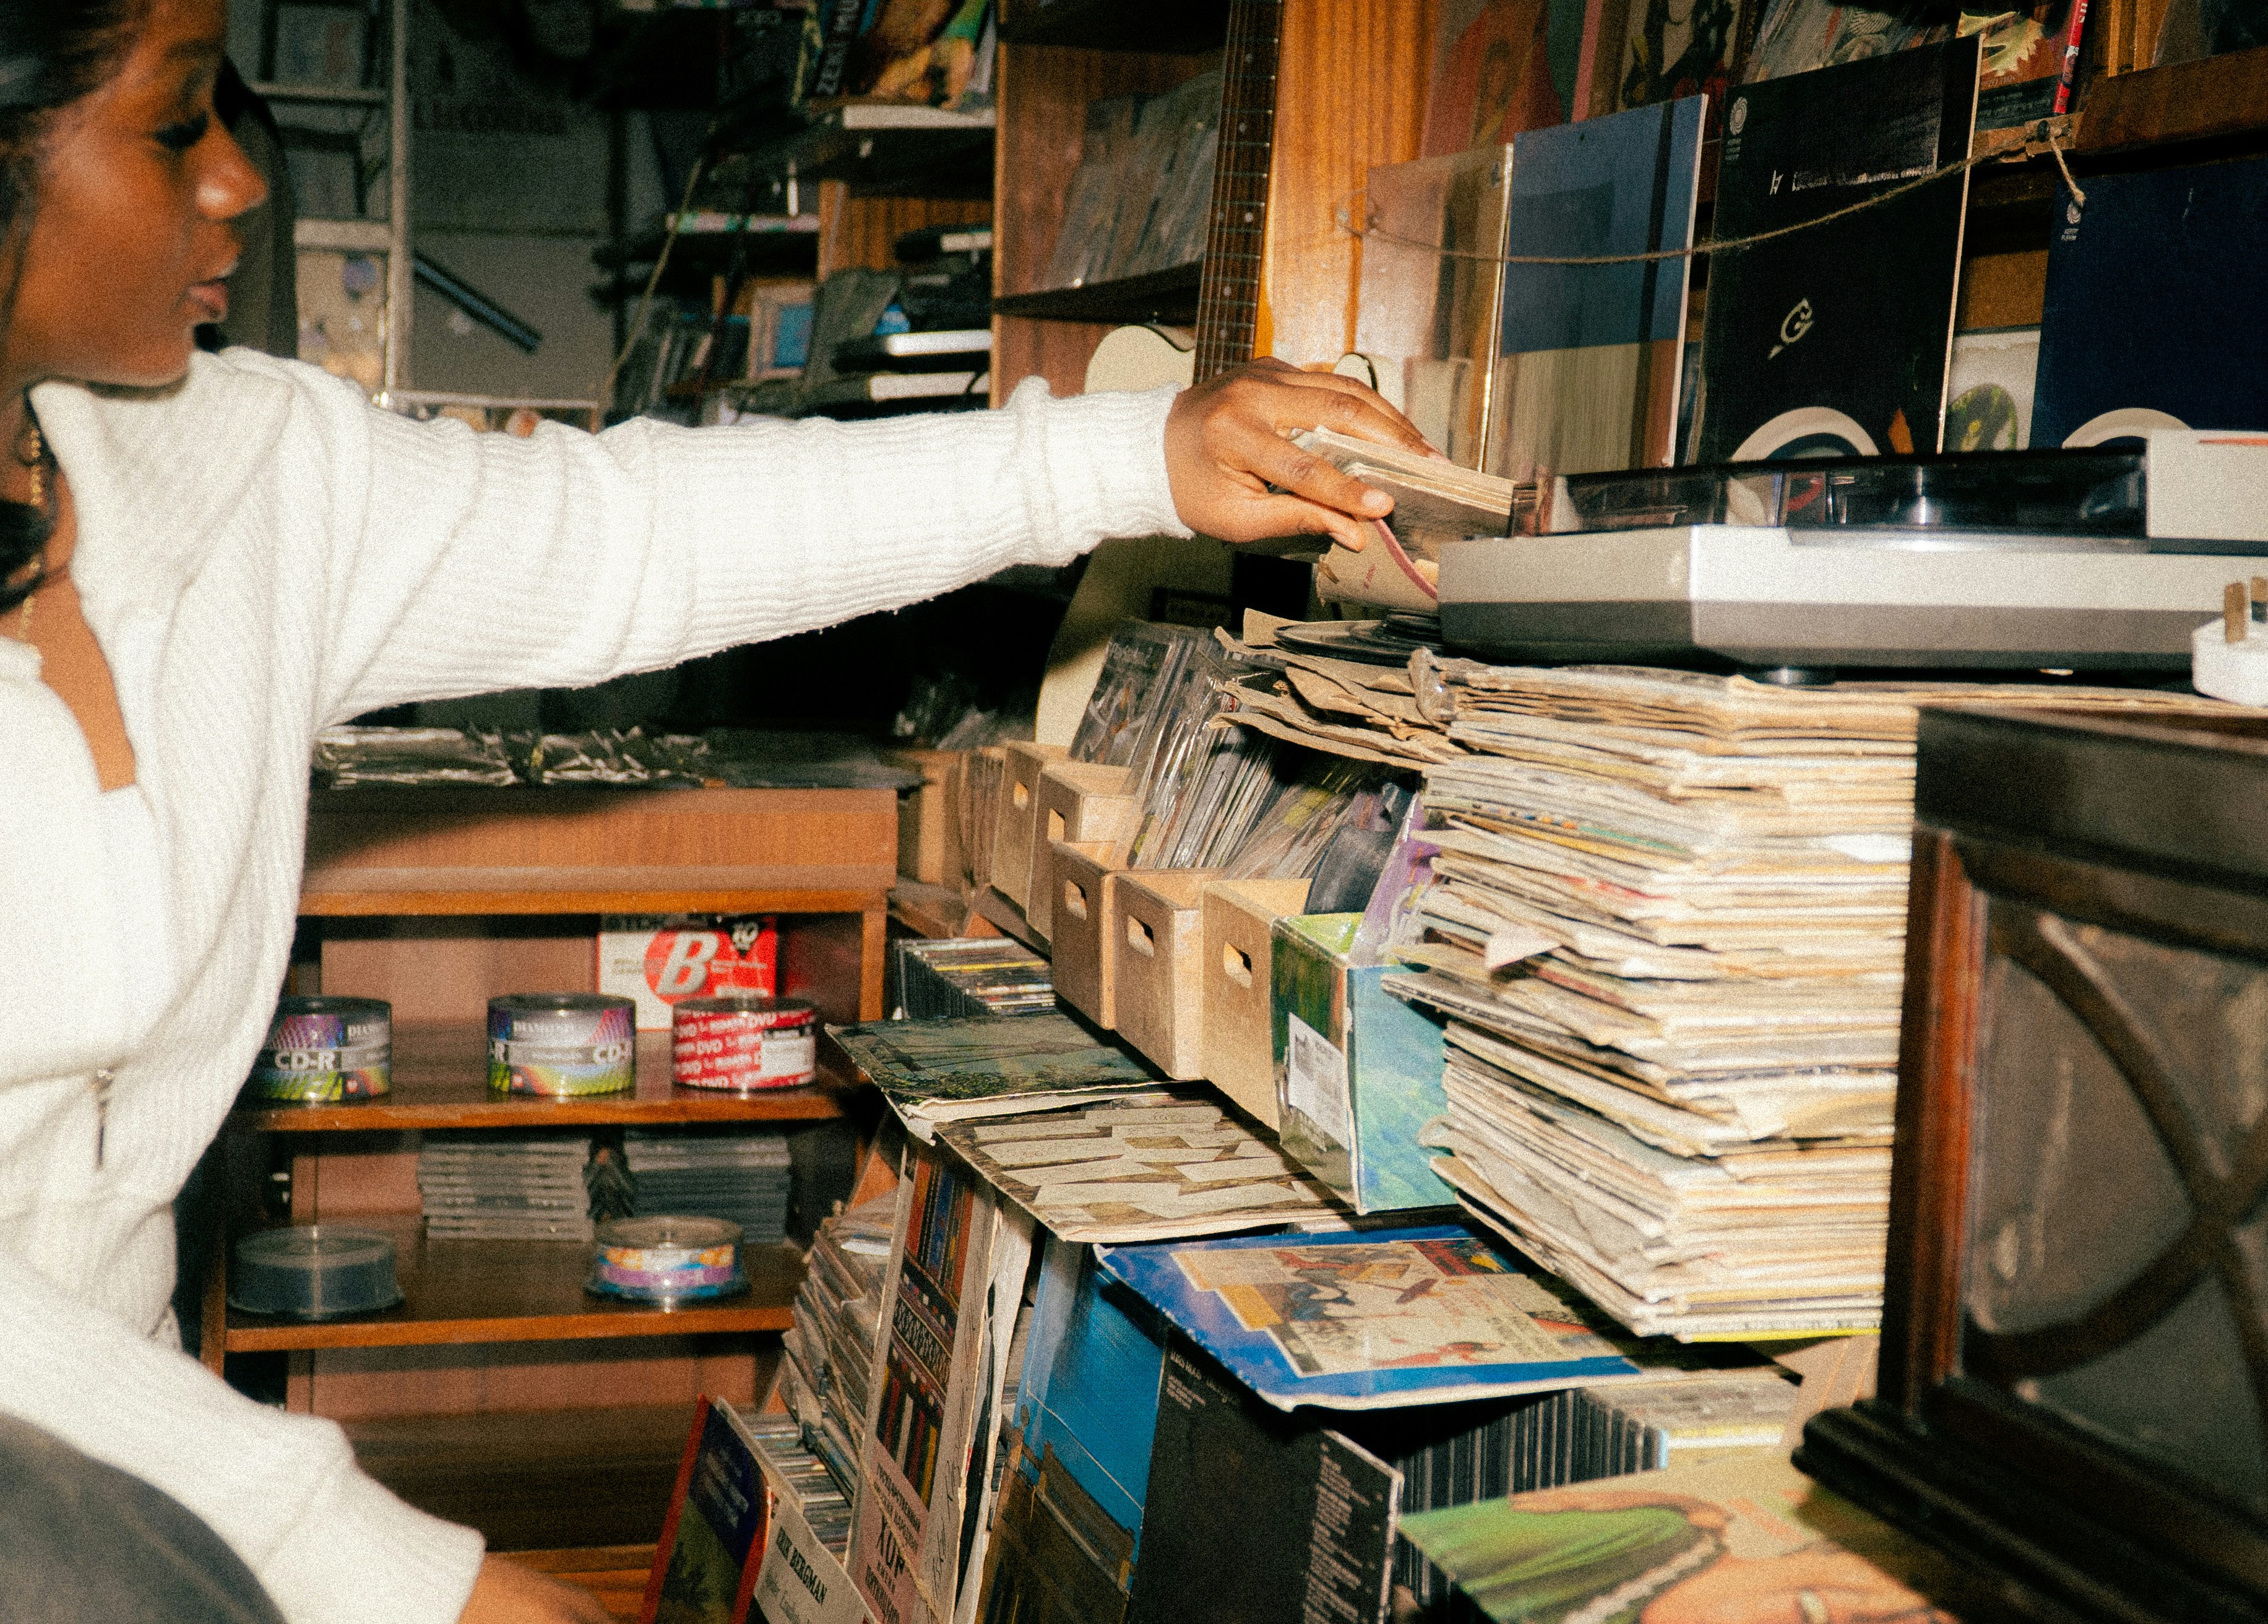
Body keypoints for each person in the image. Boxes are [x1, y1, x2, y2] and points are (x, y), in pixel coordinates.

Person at [0, 2, 1429, 1622]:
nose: (241, 181)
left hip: (131, 1518)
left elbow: (636, 539)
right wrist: (398, 1579)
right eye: (177, 120)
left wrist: (1135, 460)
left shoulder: (228, 465)